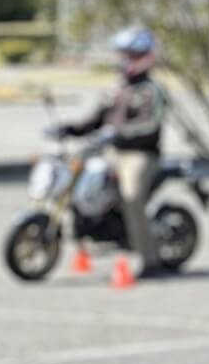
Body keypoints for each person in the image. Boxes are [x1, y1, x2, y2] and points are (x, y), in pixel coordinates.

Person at [57, 26, 169, 276]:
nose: (126, 59)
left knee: (131, 196)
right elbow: (94, 120)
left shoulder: (152, 91)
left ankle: (149, 260)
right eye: (123, 54)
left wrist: (121, 133)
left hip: (140, 155)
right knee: (77, 178)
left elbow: (150, 124)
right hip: (110, 152)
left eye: (132, 54)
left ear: (146, 56)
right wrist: (68, 129)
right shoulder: (116, 89)